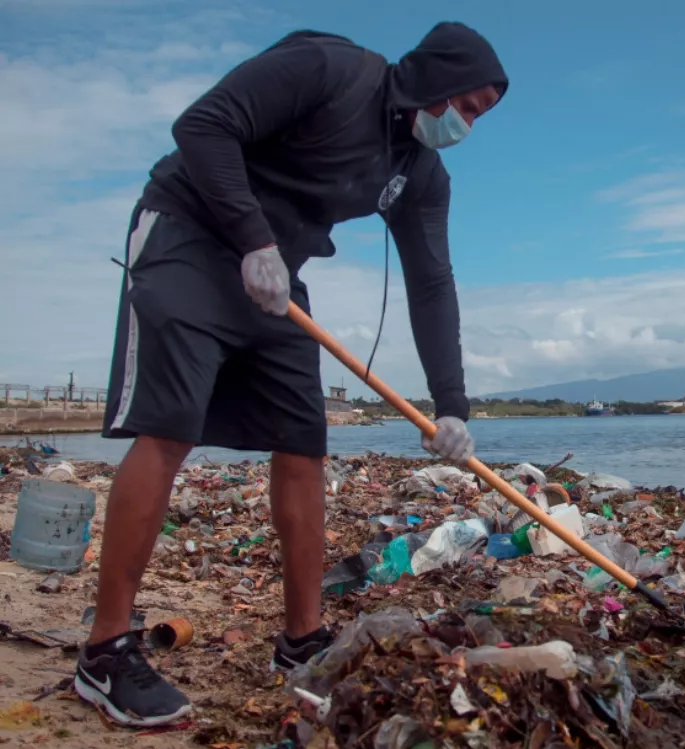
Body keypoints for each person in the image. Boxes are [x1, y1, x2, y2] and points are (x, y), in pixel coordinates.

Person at [74, 22, 508, 727]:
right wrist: (252, 239)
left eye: (478, 117)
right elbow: (203, 126)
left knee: (304, 438)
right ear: (431, 79)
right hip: (189, 228)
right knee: (170, 424)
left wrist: (451, 404)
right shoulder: (328, 69)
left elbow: (432, 282)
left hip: (280, 277)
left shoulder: (421, 174)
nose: (464, 124)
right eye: (464, 106)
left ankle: (301, 641)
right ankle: (105, 651)